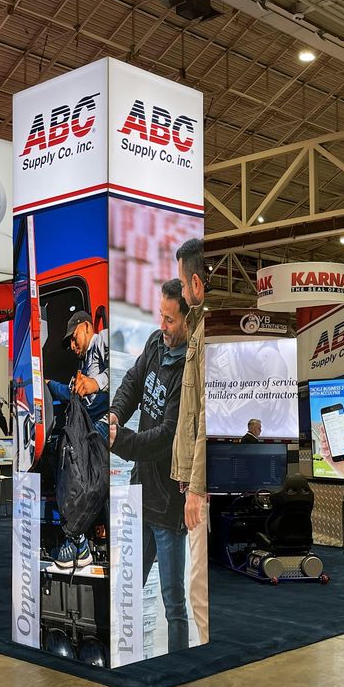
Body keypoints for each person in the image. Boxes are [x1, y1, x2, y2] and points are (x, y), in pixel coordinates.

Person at [109, 279, 190, 651]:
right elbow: (133, 381)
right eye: (161, 316)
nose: (163, 325)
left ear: (187, 321)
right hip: (140, 493)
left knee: (174, 603)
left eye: (170, 320)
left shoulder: (188, 372)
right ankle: (126, 657)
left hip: (168, 505)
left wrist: (119, 441)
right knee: (128, 586)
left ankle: (178, 670)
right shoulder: (156, 344)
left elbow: (165, 437)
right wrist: (115, 414)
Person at [171, 237, 209, 646]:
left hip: (203, 487)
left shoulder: (205, 334)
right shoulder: (196, 329)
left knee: (198, 587)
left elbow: (205, 416)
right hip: (197, 481)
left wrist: (196, 488)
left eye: (183, 284)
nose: (182, 292)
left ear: (197, 284)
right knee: (197, 584)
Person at [47, 310, 110, 440]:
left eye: (74, 337)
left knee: (81, 445)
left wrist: (96, 383)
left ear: (86, 326)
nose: (72, 346)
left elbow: (119, 373)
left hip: (105, 422)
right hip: (89, 424)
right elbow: (70, 393)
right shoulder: (82, 365)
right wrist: (50, 385)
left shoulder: (102, 339)